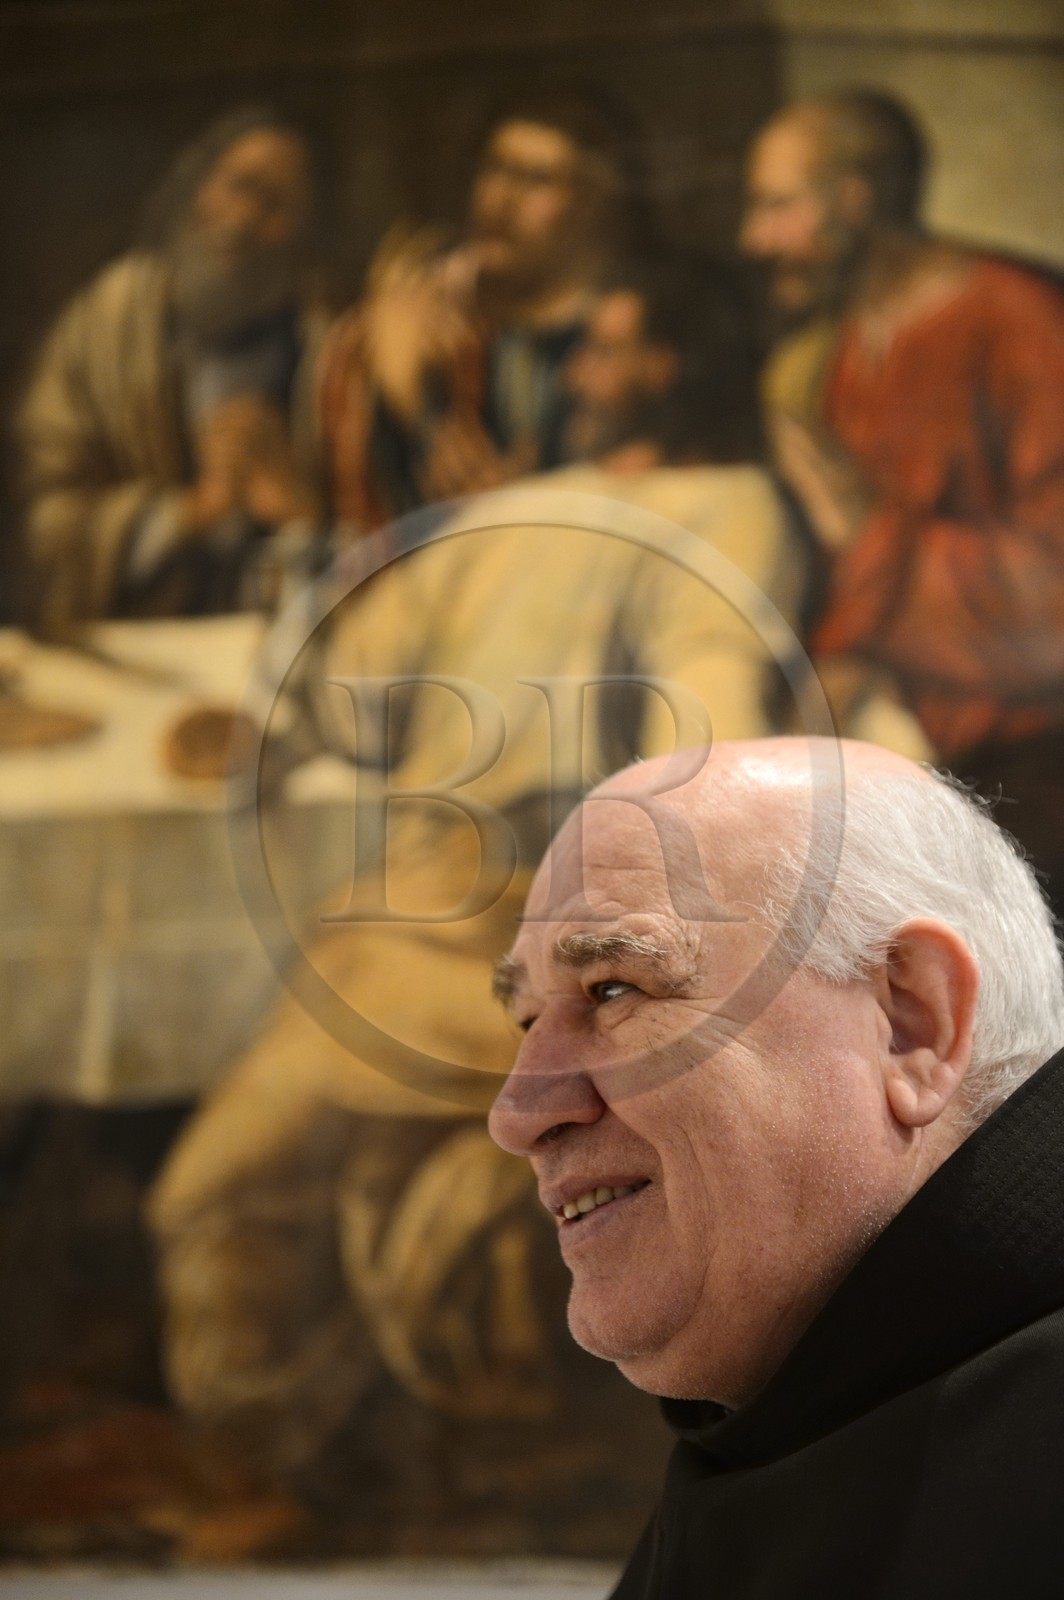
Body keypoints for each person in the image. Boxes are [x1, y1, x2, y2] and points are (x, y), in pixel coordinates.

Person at [147, 258, 822, 1516]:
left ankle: (369, 1502)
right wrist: (265, 726)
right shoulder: (505, 514)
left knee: (461, 1220)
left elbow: (708, 697)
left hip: (555, 922)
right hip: (405, 918)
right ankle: (268, 1478)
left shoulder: (726, 505)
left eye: (619, 347)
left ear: (684, 364)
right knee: (212, 1186)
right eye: (585, 351)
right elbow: (351, 669)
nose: (586, 373)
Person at [488, 735, 1064, 1595]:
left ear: (912, 1022)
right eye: (526, 1020)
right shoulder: (782, 1426)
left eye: (614, 989)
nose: (516, 1114)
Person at [740, 91, 1064, 901]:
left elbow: (1054, 611)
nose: (754, 238)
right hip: (895, 749)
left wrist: (872, 532)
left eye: (777, 207)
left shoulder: (1018, 320)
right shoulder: (836, 352)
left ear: (854, 201)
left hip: (1024, 768)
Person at [17, 107, 331, 631]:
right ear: (198, 188)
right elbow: (44, 523)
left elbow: (379, 550)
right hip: (132, 649)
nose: (244, 218)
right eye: (238, 186)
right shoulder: (110, 321)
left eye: (275, 204)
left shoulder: (327, 348)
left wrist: (297, 510)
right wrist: (187, 513)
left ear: (302, 229)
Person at [319, 88, 641, 528]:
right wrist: (405, 386)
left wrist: (415, 403)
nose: (501, 199)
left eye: (536, 179)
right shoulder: (442, 327)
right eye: (495, 169)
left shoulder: (621, 335)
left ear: (592, 204)